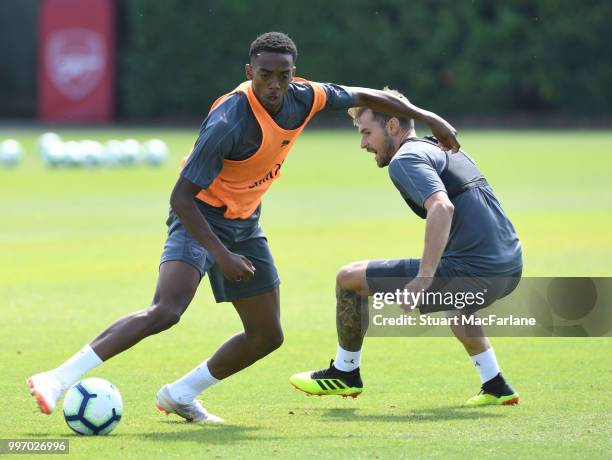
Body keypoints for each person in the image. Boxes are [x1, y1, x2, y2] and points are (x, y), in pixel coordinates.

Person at [27, 33, 460, 423]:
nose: (275, 85)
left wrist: (430, 117)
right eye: (266, 75)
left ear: (294, 74)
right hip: (198, 214)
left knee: (267, 334)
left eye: (283, 75)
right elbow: (180, 197)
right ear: (249, 72)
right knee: (167, 309)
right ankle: (57, 378)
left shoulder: (306, 96)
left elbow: (367, 94)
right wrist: (220, 255)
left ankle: (180, 395)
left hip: (244, 221)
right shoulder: (229, 121)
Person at [290, 89, 522, 406]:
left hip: (478, 270)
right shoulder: (434, 147)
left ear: (394, 126)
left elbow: (442, 207)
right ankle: (496, 385)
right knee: (458, 305)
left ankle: (344, 373)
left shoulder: (406, 158)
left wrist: (424, 277)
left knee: (349, 279)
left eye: (366, 133)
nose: (363, 144)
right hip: (509, 267)